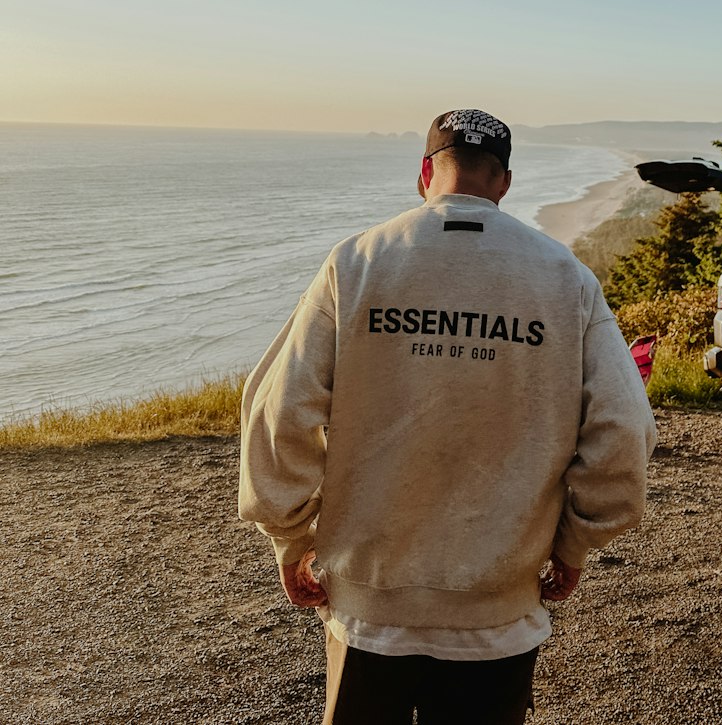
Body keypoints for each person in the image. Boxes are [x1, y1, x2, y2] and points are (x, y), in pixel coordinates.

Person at [239, 108, 657, 724]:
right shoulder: (564, 278)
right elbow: (623, 430)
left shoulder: (355, 264)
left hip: (368, 612)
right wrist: (574, 544)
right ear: (504, 183)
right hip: (498, 612)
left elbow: (279, 413)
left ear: (424, 174)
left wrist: (290, 537)